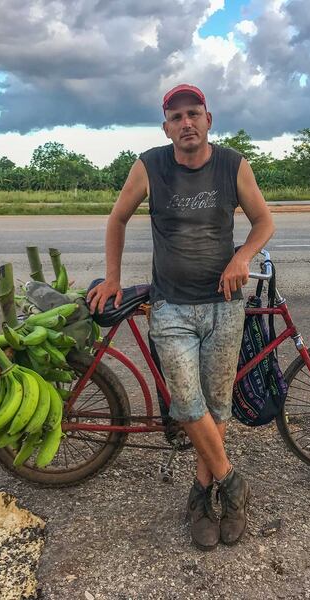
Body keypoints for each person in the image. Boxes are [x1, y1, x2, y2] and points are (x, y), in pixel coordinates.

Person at [86, 84, 275, 550]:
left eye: (193, 114)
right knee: (188, 405)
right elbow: (117, 219)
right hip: (170, 305)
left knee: (216, 404)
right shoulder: (150, 165)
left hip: (224, 306)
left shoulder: (234, 164)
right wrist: (112, 277)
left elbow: (264, 221)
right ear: (165, 127)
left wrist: (242, 257)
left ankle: (202, 494)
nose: (185, 123)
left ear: (209, 119)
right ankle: (233, 484)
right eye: (176, 117)